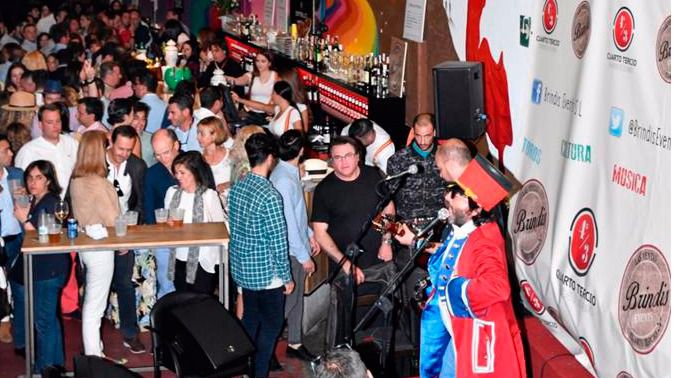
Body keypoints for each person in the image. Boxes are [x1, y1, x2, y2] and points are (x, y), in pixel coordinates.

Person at [396, 154, 526, 378]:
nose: (448, 198)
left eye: (457, 196)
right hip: (458, 333)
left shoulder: (485, 240)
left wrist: (454, 289)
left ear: (476, 210)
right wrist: (417, 243)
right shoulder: (464, 230)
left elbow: (497, 287)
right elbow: (454, 258)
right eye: (450, 192)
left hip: (476, 338)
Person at [311, 136, 394, 346]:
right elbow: (320, 232)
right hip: (344, 267)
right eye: (337, 158)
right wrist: (345, 263)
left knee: (380, 318)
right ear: (331, 161)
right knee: (345, 323)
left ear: (358, 157)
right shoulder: (324, 189)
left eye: (348, 156)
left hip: (378, 261)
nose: (343, 162)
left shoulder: (374, 176)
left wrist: (386, 239)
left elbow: (389, 209)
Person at [229, 133, 294, 377]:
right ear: (269, 158)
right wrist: (287, 277)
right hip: (267, 273)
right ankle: (259, 371)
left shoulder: (238, 187)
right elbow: (278, 241)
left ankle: (245, 366)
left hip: (244, 269)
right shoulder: (269, 195)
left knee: (250, 321)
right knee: (271, 326)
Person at [386, 113, 446, 348]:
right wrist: (389, 234)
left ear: (434, 133)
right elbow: (389, 200)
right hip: (407, 231)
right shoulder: (399, 160)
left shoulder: (442, 157)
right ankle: (414, 340)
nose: (422, 141)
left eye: (427, 136)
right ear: (413, 132)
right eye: (418, 136)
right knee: (411, 288)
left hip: (438, 229)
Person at [10, 160, 69, 371]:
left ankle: (44, 368)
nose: (33, 182)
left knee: (44, 322)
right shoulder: (37, 200)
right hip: (43, 269)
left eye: (39, 178)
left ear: (49, 180)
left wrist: (24, 219)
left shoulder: (51, 202)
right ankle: (53, 365)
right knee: (48, 320)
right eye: (30, 177)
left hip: (48, 270)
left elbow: (41, 237)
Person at [269, 130, 319, 361]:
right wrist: (303, 255)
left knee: (296, 298)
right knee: (288, 302)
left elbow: (297, 215)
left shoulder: (286, 173)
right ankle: (266, 348)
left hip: (294, 245)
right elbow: (288, 222)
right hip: (289, 251)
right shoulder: (285, 179)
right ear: (301, 151)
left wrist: (309, 234)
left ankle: (295, 342)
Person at [69, 130, 120, 357]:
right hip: (100, 246)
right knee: (95, 305)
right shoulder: (99, 183)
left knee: (92, 299)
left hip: (85, 244)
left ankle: (95, 350)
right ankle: (93, 356)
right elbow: (113, 219)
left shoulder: (76, 180)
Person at [106, 125, 147, 353]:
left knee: (124, 282)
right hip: (98, 232)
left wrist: (131, 227)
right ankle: (91, 337)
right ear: (111, 141)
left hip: (125, 232)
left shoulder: (137, 166)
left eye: (129, 150)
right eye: (120, 148)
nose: (124, 154)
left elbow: (140, 201)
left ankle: (130, 333)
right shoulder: (96, 161)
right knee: (94, 285)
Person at [164, 151, 224, 293]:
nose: (178, 176)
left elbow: (220, 229)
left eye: (182, 173)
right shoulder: (172, 193)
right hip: (178, 256)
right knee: (182, 301)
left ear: (195, 172)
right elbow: (166, 222)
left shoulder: (209, 196)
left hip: (202, 259)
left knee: (200, 303)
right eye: (176, 172)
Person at [15, 103, 79, 199]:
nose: (55, 126)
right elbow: (20, 185)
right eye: (50, 122)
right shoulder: (28, 151)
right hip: (44, 205)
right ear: (40, 125)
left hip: (72, 201)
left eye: (58, 121)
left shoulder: (72, 144)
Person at [144, 129, 180, 298]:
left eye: (166, 152)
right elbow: (149, 209)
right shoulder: (152, 173)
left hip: (193, 234)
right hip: (164, 236)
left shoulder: (193, 163)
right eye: (157, 155)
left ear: (176, 146)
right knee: (166, 284)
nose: (162, 158)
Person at [0, 133, 24, 348]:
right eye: (6, 150)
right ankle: (4, 321)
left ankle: (17, 320)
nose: (11, 153)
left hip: (16, 237)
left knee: (16, 280)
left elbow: (24, 204)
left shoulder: (16, 174)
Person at [226, 50, 277, 126]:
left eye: (263, 61)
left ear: (270, 63)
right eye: (257, 61)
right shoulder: (252, 75)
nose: (259, 64)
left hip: (266, 116)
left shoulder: (275, 77)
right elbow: (237, 81)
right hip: (250, 113)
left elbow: (273, 103)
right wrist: (222, 77)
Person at [197, 116, 231, 205]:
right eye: (198, 133)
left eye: (202, 134)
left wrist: (227, 184)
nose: (198, 137)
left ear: (215, 135)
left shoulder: (231, 155)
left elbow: (242, 178)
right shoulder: (199, 159)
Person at [132, 70, 167, 134]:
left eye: (135, 85)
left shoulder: (133, 107)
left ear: (143, 87)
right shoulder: (166, 106)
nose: (134, 88)